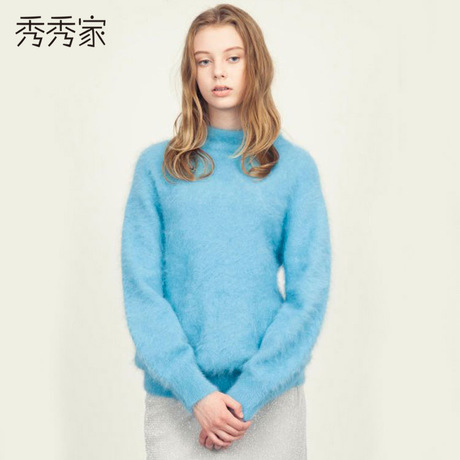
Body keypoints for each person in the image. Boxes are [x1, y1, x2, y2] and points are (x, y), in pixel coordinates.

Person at [121, 3, 332, 458]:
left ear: (256, 64)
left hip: (269, 402)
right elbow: (142, 291)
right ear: (191, 72)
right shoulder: (156, 169)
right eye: (204, 60)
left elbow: (308, 296)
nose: (219, 71)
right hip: (178, 402)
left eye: (233, 57)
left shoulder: (294, 170)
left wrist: (249, 393)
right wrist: (196, 393)